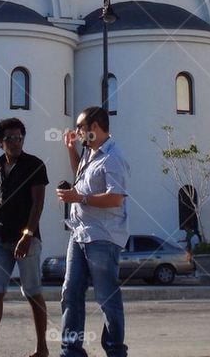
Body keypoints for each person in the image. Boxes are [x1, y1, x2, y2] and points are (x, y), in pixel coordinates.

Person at [0, 118, 50, 357]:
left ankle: (42, 348)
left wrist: (27, 236)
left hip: (25, 239)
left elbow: (38, 204)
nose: (15, 143)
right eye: (9, 139)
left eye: (19, 138)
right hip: (0, 235)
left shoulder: (34, 165)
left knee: (33, 292)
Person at [55, 106, 130, 357]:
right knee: (70, 291)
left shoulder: (113, 156)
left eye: (80, 127)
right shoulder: (90, 152)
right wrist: (70, 150)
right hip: (79, 233)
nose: (77, 131)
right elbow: (80, 178)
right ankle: (71, 350)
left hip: (103, 237)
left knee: (107, 298)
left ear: (95, 127)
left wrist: (80, 197)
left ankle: (115, 350)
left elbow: (115, 198)